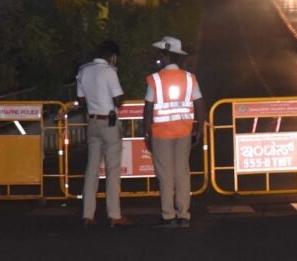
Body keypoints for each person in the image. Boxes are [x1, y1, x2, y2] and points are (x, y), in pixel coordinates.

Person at [143, 36, 206, 228]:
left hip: (161, 134)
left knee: (165, 175)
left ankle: (168, 216)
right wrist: (199, 129)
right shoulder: (189, 78)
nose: (158, 57)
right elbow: (200, 104)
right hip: (184, 132)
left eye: (159, 54)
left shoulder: (155, 79)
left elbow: (148, 109)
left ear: (165, 56)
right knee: (182, 173)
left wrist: (146, 133)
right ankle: (184, 215)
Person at [76, 40, 132, 228]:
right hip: (109, 123)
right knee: (112, 170)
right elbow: (118, 101)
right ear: (113, 56)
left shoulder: (83, 70)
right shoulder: (109, 71)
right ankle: (114, 215)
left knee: (91, 170)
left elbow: (81, 100)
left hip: (92, 122)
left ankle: (87, 215)